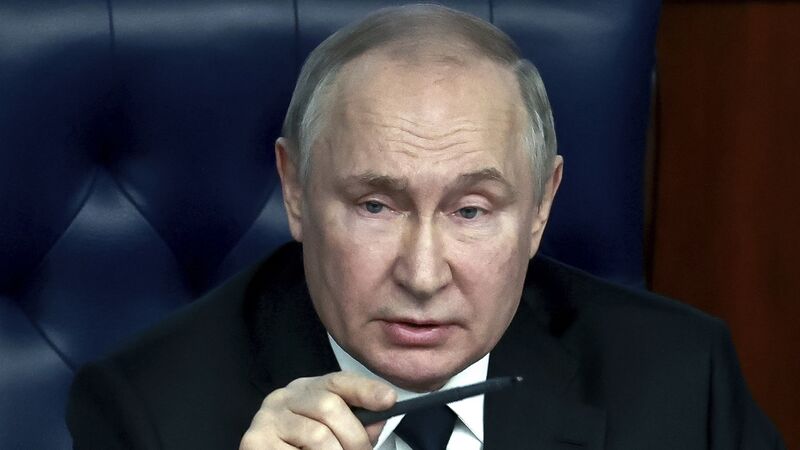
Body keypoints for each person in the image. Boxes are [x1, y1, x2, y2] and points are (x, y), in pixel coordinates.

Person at [67, 5, 785, 450]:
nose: (421, 274)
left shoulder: (684, 382)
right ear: (296, 191)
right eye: (376, 206)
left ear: (541, 207)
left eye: (471, 211)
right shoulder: (147, 412)